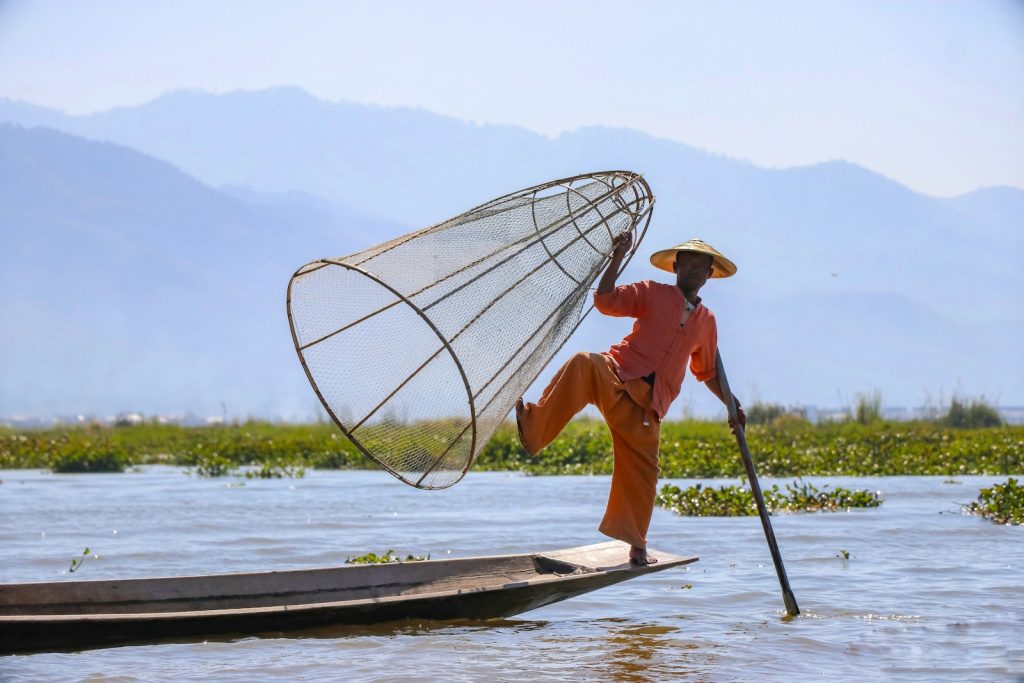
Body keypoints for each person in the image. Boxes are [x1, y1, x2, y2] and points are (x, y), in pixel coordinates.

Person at [515, 235, 746, 565]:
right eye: (688, 262)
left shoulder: (706, 322)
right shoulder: (652, 292)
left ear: (709, 273)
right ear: (676, 267)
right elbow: (606, 300)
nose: (694, 268)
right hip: (616, 375)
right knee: (583, 363)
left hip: (648, 406)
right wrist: (617, 257)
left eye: (701, 265)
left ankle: (637, 545)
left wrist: (732, 405)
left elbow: (707, 372)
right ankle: (533, 426)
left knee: (644, 473)